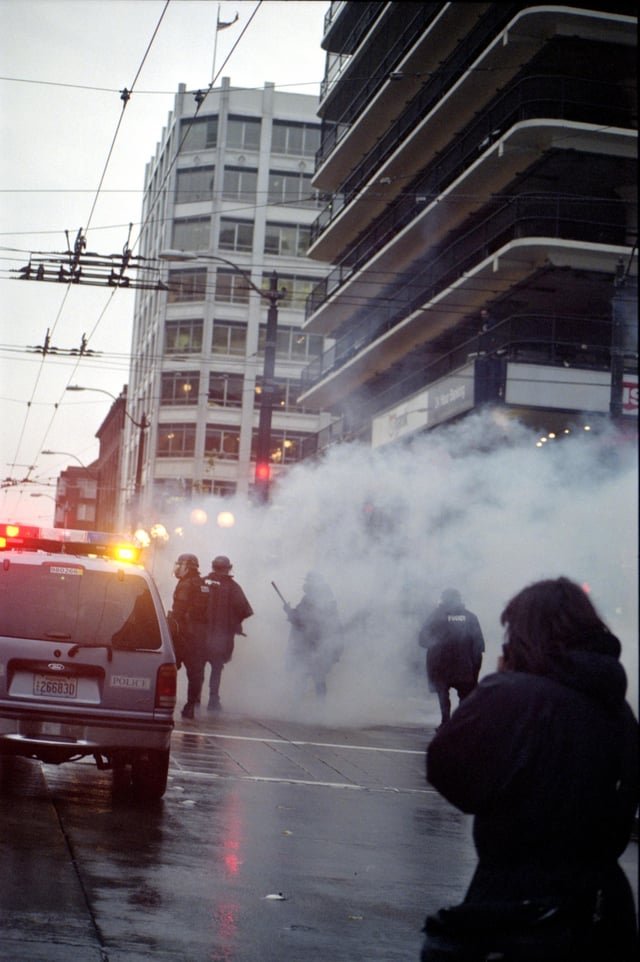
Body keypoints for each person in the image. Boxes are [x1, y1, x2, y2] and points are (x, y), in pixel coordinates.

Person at [421, 577, 639, 962]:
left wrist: (502, 682)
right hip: (604, 905)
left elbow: (448, 771)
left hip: (517, 907)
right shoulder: (619, 711)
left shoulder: (515, 693)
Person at [418, 588, 484, 728]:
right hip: (465, 666)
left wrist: (436, 644)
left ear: (443, 599)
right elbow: (478, 646)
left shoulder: (435, 616)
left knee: (442, 695)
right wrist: (475, 672)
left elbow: (422, 640)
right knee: (465, 697)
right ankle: (460, 724)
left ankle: (445, 722)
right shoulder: (470, 617)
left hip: (440, 665)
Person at [203, 555, 253, 711]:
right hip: (221, 637)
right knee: (216, 668)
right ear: (228, 568)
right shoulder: (233, 587)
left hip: (201, 634)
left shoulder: (202, 582)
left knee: (198, 667)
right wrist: (234, 623)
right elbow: (244, 609)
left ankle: (194, 699)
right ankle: (213, 699)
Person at [283, 571, 342, 697]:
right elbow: (300, 618)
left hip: (314, 643)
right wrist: (290, 612)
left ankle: (301, 707)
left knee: (309, 676)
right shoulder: (324, 598)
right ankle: (314, 709)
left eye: (309, 581)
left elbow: (301, 620)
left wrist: (290, 612)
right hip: (315, 643)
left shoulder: (314, 599)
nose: (307, 584)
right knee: (311, 677)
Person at [167, 553, 208, 719]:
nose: (177, 568)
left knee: (168, 667)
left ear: (187, 566)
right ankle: (191, 705)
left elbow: (178, 611)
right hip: (199, 636)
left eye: (180, 565)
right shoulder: (203, 583)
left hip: (182, 634)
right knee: (195, 672)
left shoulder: (185, 584)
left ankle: (165, 700)